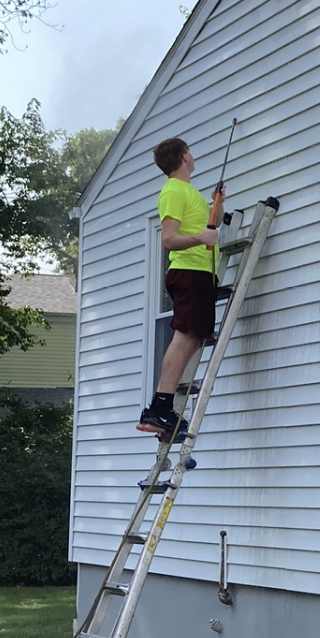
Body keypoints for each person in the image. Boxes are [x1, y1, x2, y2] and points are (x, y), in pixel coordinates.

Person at [137, 137, 223, 436]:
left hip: (200, 272)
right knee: (186, 336)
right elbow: (168, 239)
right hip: (188, 271)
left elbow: (211, 228)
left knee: (194, 336)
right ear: (185, 156)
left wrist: (217, 204)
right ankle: (159, 407)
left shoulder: (189, 193)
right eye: (192, 151)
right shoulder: (173, 191)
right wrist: (201, 239)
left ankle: (163, 407)